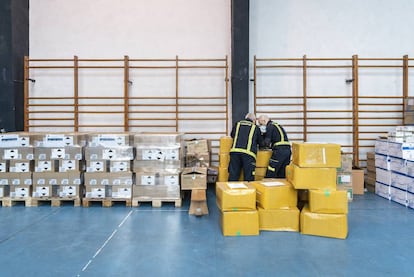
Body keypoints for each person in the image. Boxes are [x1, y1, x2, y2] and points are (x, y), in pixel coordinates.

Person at [228, 113, 263, 181]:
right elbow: (261, 143)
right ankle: (248, 191)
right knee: (248, 177)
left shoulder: (237, 124)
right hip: (249, 154)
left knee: (233, 175)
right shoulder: (255, 127)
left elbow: (232, 135)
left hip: (235, 152)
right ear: (254, 120)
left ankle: (230, 191)